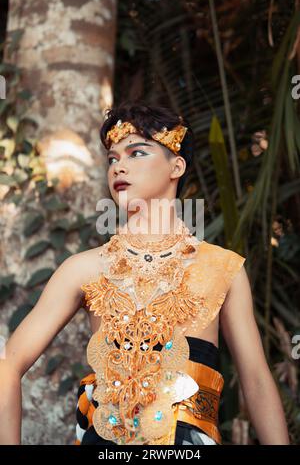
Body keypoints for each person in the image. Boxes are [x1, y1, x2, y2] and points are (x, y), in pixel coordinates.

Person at [0, 101, 290, 446]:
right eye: (112, 158)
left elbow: (255, 380)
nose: (119, 167)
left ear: (176, 166)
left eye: (136, 153)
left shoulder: (221, 267)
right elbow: (9, 365)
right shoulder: (83, 268)